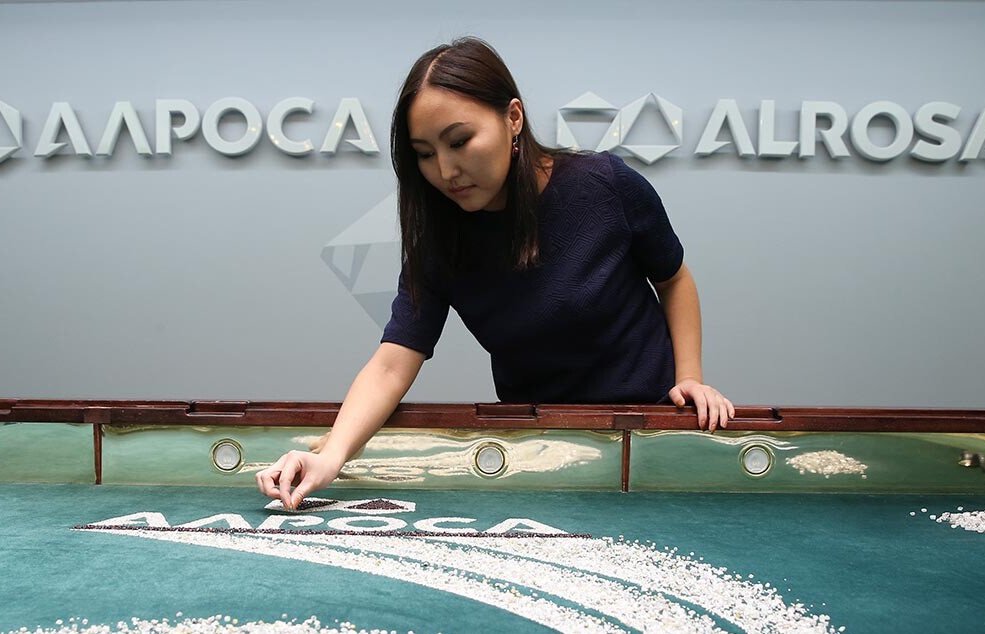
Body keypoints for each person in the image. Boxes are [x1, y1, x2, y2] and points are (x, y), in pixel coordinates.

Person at [258, 37, 734, 510]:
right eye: (425, 153)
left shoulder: (605, 185)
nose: (446, 170)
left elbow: (673, 279)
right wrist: (333, 456)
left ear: (513, 118)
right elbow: (391, 362)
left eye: (460, 141)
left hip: (649, 432)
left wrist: (690, 376)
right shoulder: (438, 242)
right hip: (539, 450)